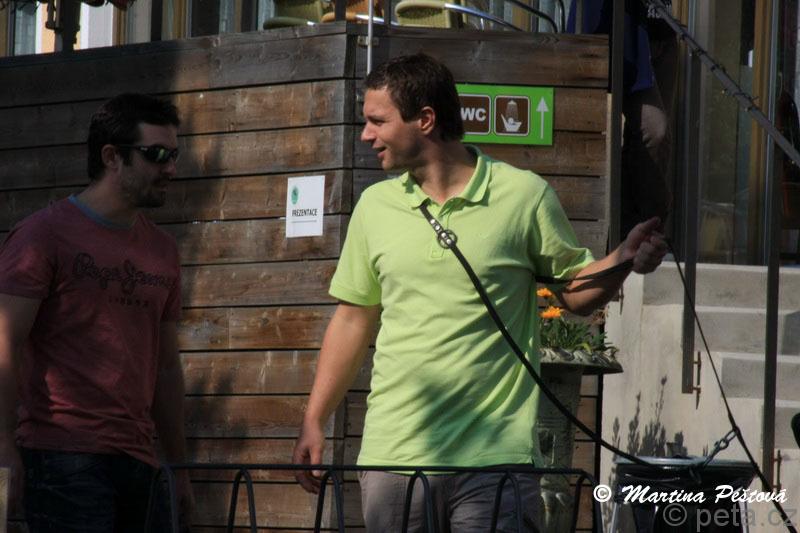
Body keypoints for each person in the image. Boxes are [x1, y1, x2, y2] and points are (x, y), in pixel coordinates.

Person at [292, 53, 667, 532]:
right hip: (394, 456)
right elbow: (352, 319)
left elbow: (574, 294)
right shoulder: (374, 206)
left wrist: (622, 260)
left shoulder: (523, 196)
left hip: (495, 459)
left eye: (377, 121)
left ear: (425, 119)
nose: (366, 135)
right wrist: (314, 419)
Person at [0, 93, 193, 532]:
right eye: (156, 154)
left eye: (174, 155)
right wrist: (2, 444)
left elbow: (166, 367)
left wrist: (179, 468)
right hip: (61, 457)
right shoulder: (42, 236)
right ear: (111, 157)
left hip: (141, 462)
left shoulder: (162, 250)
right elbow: (4, 341)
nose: (170, 168)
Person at [568, 0, 678, 238]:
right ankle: (638, 233)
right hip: (614, 29)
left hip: (661, 29)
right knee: (653, 130)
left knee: (653, 144)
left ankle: (639, 235)